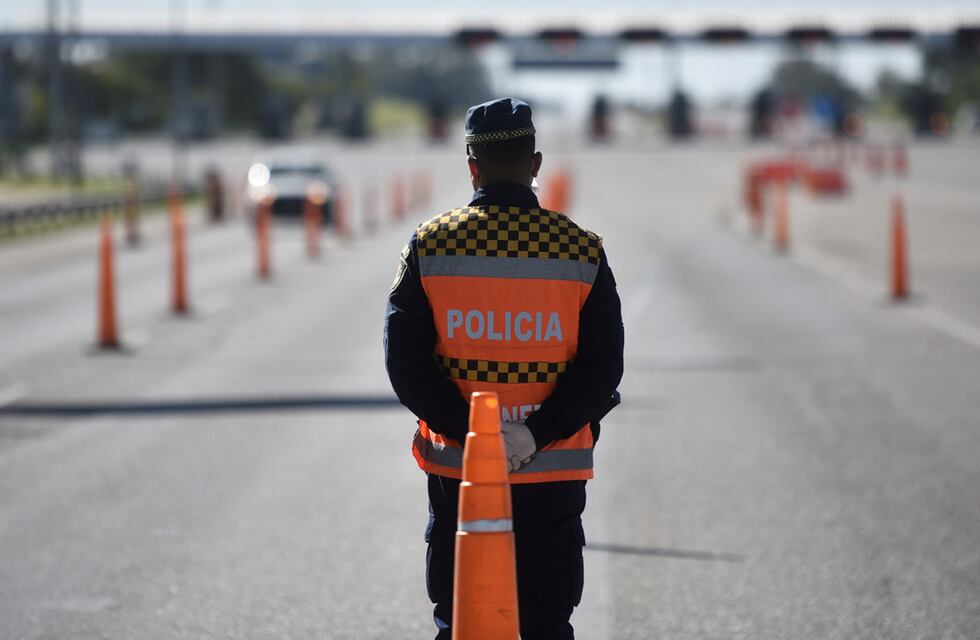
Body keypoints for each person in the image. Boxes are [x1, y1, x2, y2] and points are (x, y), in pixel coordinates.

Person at [384, 97, 624, 640]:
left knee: (463, 619)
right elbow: (603, 368)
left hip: (461, 471)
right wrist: (533, 433)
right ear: (535, 164)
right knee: (545, 622)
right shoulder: (581, 252)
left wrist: (471, 434)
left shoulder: (430, 245)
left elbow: (405, 364)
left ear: (471, 165)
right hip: (551, 469)